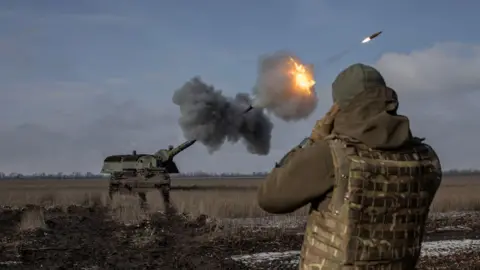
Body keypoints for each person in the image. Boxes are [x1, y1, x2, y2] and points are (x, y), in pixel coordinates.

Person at [257, 63, 442, 269]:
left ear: (339, 107)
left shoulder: (331, 154)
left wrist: (312, 141)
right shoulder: (425, 158)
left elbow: (269, 198)